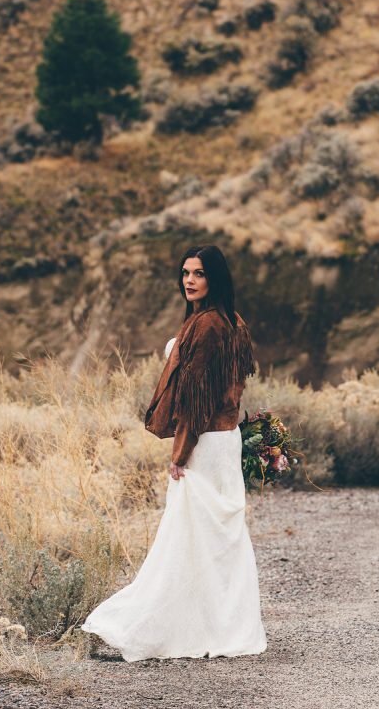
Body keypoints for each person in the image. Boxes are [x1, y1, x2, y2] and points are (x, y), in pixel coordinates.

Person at [81, 244, 267, 662]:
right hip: (226, 440)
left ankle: (157, 630)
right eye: (185, 272)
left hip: (204, 443)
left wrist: (179, 453)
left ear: (213, 278)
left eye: (198, 273)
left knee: (186, 538)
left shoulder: (206, 326)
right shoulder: (234, 322)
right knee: (220, 539)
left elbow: (196, 399)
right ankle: (228, 629)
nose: (188, 280)